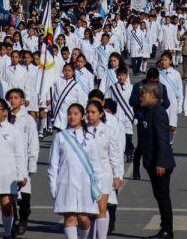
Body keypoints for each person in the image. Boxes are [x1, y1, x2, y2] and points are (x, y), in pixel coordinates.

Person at [48, 103, 105, 239]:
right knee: (70, 218)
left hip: (85, 185)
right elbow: (53, 164)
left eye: (75, 114)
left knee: (83, 219)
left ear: (82, 117)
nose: (71, 117)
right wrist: (53, 187)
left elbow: (96, 165)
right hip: (65, 183)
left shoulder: (90, 138)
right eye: (69, 114)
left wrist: (99, 186)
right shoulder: (60, 137)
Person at [0, 98, 27, 239]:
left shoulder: (14, 131)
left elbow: (20, 154)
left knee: (7, 206)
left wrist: (22, 175)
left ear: (4, 112)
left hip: (9, 175)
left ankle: (8, 233)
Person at [139, 82, 175, 239]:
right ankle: (165, 228)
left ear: (152, 95)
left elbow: (162, 138)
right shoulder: (150, 111)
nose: (141, 96)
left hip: (160, 163)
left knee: (162, 196)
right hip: (153, 161)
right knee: (160, 196)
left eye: (144, 93)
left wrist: (160, 162)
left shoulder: (158, 112)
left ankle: (167, 229)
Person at [85, 99, 124, 239]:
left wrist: (117, 175)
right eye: (88, 112)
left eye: (93, 112)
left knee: (102, 209)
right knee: (89, 212)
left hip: (104, 175)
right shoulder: (82, 131)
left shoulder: (108, 131)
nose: (90, 115)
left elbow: (114, 155)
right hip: (86, 176)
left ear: (100, 114)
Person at [7, 88, 40, 236]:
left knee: (24, 198)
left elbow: (33, 143)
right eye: (11, 98)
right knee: (9, 196)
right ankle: (13, 221)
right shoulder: (4, 117)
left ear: (22, 100)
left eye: (16, 98)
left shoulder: (28, 119)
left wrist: (31, 165)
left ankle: (24, 218)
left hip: (24, 163)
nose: (13, 100)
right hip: (7, 162)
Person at [105, 66, 135, 162]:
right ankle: (118, 155)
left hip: (128, 116)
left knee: (128, 137)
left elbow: (135, 102)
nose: (121, 77)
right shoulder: (112, 88)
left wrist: (135, 116)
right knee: (117, 138)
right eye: (119, 75)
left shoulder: (131, 88)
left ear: (126, 76)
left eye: (123, 75)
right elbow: (107, 101)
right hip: (116, 116)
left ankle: (129, 153)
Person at [52, 63, 89, 131]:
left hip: (71, 114)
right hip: (59, 112)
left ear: (73, 72)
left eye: (69, 70)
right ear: (62, 71)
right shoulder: (58, 81)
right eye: (65, 70)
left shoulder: (77, 85)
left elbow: (81, 101)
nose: (67, 72)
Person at [157, 51, 183, 145]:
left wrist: (180, 105)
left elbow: (180, 90)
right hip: (162, 103)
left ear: (170, 61)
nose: (163, 62)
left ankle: (170, 143)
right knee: (162, 126)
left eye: (165, 60)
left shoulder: (176, 74)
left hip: (173, 103)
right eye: (162, 60)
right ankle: (164, 144)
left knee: (172, 127)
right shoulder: (159, 74)